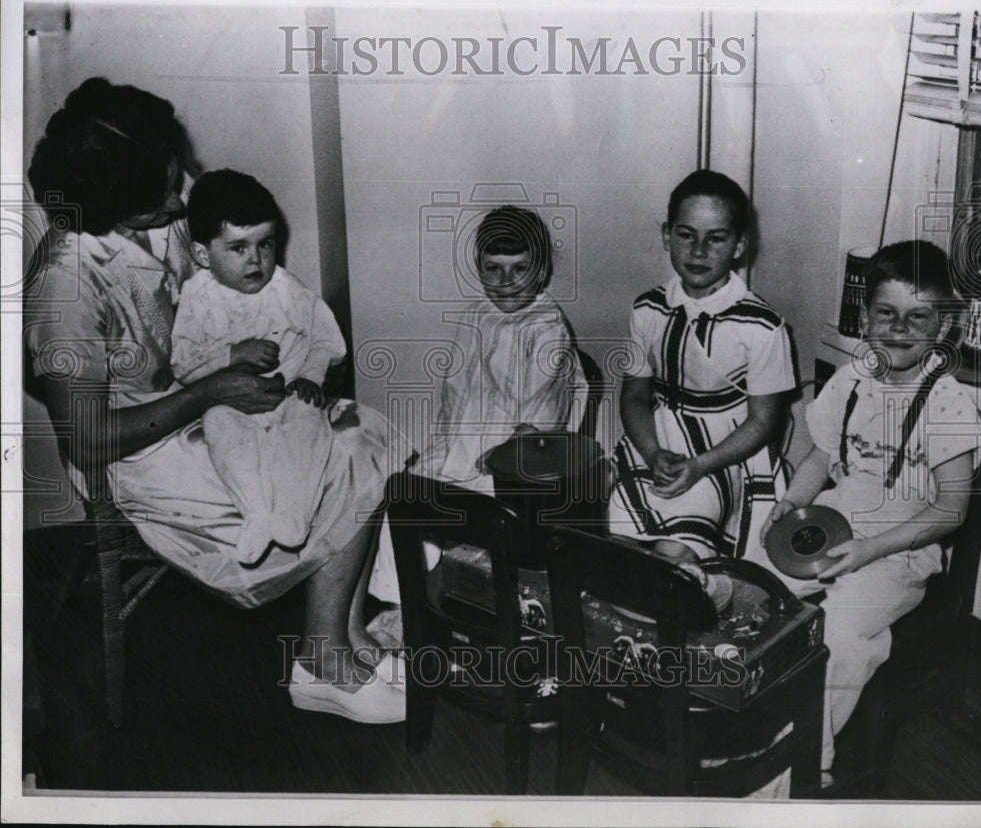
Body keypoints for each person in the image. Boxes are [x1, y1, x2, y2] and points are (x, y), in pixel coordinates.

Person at [24, 77, 404, 723]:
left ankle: (346, 636)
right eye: (164, 195)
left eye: (177, 176)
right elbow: (87, 440)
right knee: (314, 469)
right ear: (116, 205)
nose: (183, 199)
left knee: (357, 430)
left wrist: (272, 360)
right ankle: (321, 664)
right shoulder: (67, 285)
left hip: (209, 391)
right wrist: (209, 391)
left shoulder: (162, 207)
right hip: (138, 448)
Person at [758, 239, 981, 786]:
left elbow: (951, 511)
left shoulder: (949, 404)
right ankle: (749, 730)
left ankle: (802, 763)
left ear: (944, 327)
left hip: (898, 552)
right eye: (886, 313)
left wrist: (868, 550)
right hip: (832, 524)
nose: (899, 329)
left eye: (918, 317)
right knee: (758, 593)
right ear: (865, 318)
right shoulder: (851, 380)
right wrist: (791, 502)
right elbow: (820, 456)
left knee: (841, 633)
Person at [368, 204, 586, 602]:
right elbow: (454, 394)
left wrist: (503, 455)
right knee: (402, 500)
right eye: (493, 269)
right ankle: (401, 604)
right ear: (478, 267)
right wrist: (438, 451)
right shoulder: (475, 315)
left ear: (541, 270)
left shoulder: (547, 328)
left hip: (510, 466)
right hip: (458, 447)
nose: (506, 282)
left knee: (484, 522)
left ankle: (480, 601)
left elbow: (541, 416)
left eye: (520, 269)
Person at [171, 169, 370, 567]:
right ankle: (257, 512)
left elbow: (326, 340)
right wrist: (231, 355)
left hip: (287, 398)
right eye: (238, 248)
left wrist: (310, 377)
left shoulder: (286, 289)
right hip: (232, 407)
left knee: (308, 423)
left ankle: (294, 511)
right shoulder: (197, 298)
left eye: (265, 244)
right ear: (202, 255)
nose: (256, 260)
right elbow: (183, 363)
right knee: (218, 424)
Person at [609, 170, 795, 562]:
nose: (698, 251)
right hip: (657, 439)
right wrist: (652, 452)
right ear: (667, 236)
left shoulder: (762, 326)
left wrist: (700, 465)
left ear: (739, 244)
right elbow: (635, 396)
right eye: (686, 235)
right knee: (617, 544)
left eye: (716, 238)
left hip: (725, 452)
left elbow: (763, 422)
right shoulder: (647, 309)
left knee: (675, 551)